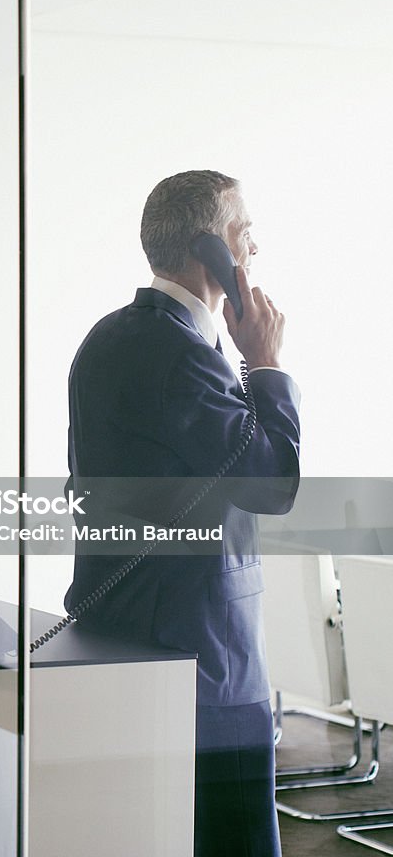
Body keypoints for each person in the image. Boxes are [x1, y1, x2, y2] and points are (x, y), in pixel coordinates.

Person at [64, 170, 301, 857]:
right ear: (212, 250)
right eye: (244, 238)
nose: (252, 255)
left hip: (123, 634)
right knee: (234, 842)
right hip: (201, 659)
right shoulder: (178, 354)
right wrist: (265, 362)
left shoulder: (107, 338)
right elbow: (270, 484)